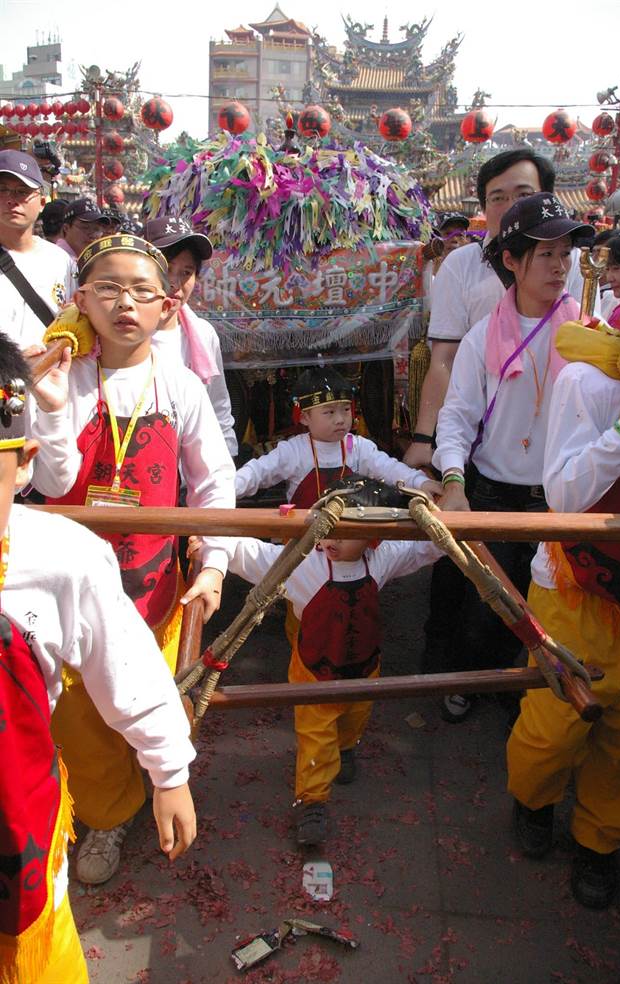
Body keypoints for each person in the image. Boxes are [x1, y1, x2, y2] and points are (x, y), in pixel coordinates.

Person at [29, 233, 235, 884]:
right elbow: (55, 479)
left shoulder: (180, 385)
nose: (127, 303)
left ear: (167, 306)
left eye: (143, 290)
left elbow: (213, 482)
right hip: (73, 593)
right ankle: (109, 812)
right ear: (79, 300)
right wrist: (56, 406)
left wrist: (214, 563)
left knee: (149, 693)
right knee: (83, 719)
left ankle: (158, 779)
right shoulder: (64, 378)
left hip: (152, 586)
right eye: (109, 288)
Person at [0, 333, 196, 983]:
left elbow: (126, 665)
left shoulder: (57, 555)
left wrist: (168, 770)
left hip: (18, 841)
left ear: (20, 460)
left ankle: (115, 814)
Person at [507, 248, 620, 909]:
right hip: (576, 591)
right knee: (553, 727)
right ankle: (531, 802)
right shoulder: (590, 383)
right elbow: (564, 496)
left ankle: (600, 843)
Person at [432, 193, 594, 722]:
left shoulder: (589, 334)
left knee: (551, 605)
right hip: (496, 492)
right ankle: (471, 681)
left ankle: (525, 691)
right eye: (544, 253)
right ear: (511, 260)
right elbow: (457, 416)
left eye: (565, 251)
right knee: (490, 605)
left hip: (563, 497)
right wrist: (453, 481)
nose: (559, 264)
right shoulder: (483, 338)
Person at [227, 477, 444, 846]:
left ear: (374, 538)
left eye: (346, 532)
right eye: (329, 527)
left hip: (364, 667)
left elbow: (423, 548)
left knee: (355, 716)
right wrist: (216, 544)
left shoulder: (383, 559)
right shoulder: (304, 565)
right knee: (315, 738)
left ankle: (347, 746)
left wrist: (440, 516)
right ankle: (311, 801)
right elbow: (254, 555)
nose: (331, 539)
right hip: (314, 672)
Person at [404, 149, 588, 469]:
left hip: (556, 443)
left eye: (523, 195)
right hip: (481, 444)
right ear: (483, 206)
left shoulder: (570, 265)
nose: (511, 207)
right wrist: (423, 438)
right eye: (497, 198)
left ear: (545, 198)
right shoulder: (460, 265)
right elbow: (444, 359)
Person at [235, 366, 441, 507]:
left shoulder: (360, 448)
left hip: (352, 537)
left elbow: (390, 469)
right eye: (329, 412)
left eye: (345, 410)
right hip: (304, 542)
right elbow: (257, 472)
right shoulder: (293, 450)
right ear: (305, 417)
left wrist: (420, 482)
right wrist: (226, 489)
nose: (341, 419)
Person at [143, 216, 237, 456]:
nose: (175, 283)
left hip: (189, 476)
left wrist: (225, 465)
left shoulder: (203, 335)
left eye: (187, 272)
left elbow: (218, 406)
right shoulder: (121, 332)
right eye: (165, 269)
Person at [0, 150, 76, 351]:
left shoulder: (60, 260)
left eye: (22, 191)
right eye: (2, 189)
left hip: (50, 376)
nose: (11, 199)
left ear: (42, 202)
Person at [56, 197, 112, 262]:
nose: (92, 235)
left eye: (97, 229)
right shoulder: (56, 259)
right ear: (66, 228)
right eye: (85, 228)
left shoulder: (91, 260)